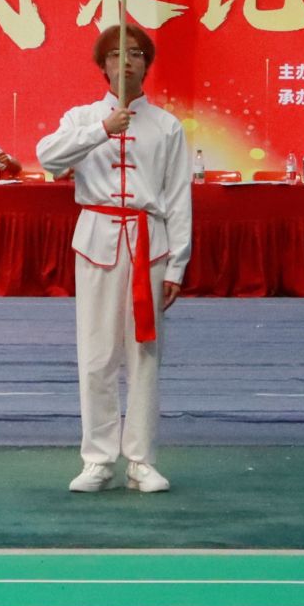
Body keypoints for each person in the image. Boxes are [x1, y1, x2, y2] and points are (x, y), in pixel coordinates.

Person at [36, 25, 192, 496]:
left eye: (136, 54)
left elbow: (178, 198)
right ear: (102, 64)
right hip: (97, 240)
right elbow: (47, 157)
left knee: (144, 354)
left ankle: (141, 461)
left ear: (147, 64)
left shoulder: (167, 126)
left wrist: (178, 264)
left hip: (150, 242)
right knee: (96, 354)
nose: (126, 62)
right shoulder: (81, 117)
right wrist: (103, 130)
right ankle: (98, 460)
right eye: (116, 55)